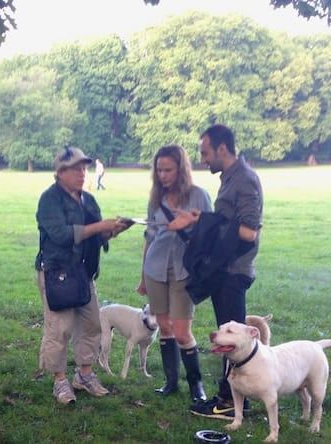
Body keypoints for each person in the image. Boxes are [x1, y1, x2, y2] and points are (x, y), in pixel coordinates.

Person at [167, 124, 263, 419]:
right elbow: (227, 220)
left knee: (233, 340)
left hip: (233, 272)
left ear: (222, 148)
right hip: (222, 269)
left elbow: (248, 232)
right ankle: (228, 397)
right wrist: (200, 218)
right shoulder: (229, 178)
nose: (203, 158)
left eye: (205, 152)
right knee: (226, 336)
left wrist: (207, 222)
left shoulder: (245, 180)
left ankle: (232, 402)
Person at [35, 146, 131, 404]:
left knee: (90, 325)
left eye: (84, 168)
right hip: (57, 273)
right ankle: (59, 382)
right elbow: (62, 235)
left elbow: (96, 236)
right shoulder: (49, 200)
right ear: (60, 172)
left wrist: (112, 231)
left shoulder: (88, 199)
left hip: (84, 273)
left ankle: (84, 375)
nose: (82, 173)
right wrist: (100, 226)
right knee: (60, 329)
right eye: (76, 169)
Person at [136, 145, 212, 403]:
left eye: (168, 169)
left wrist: (191, 225)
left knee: (181, 330)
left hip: (184, 270)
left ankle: (196, 386)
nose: (163, 175)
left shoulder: (199, 196)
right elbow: (149, 237)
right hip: (156, 268)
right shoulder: (155, 200)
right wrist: (143, 276)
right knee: (164, 326)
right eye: (159, 170)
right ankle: (170, 382)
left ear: (181, 169)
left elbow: (209, 234)